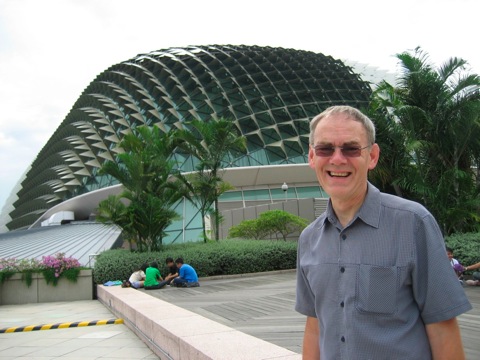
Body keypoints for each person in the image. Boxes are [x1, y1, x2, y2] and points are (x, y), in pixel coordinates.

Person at [295, 105, 472, 359]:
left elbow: (442, 327)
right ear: (312, 157)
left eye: (351, 148)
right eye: (325, 148)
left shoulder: (413, 223)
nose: (337, 159)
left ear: (373, 156)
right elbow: (314, 325)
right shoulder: (309, 238)